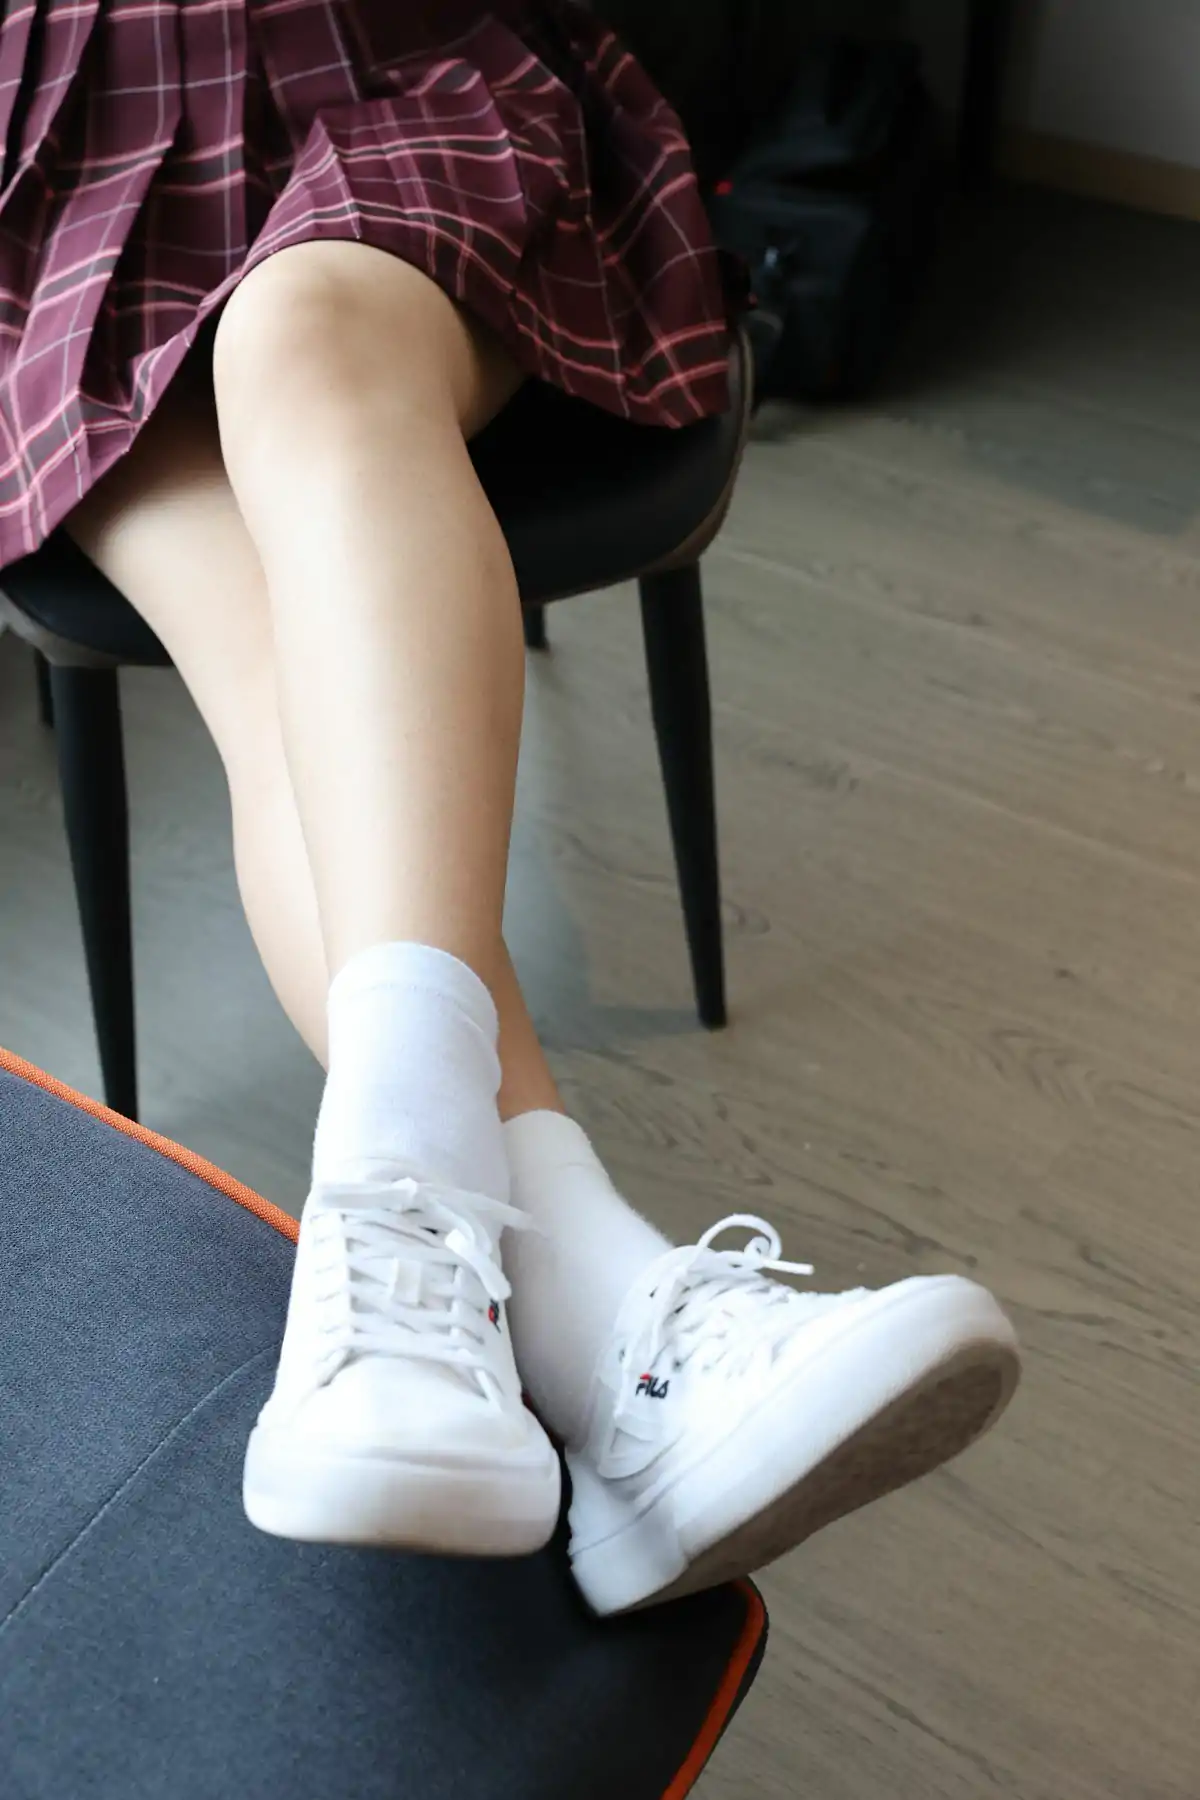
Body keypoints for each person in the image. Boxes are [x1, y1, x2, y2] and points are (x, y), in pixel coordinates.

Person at [0, 0, 1020, 1616]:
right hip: (47, 138)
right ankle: (612, 1338)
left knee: (306, 341)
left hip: (368, 64)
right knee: (269, 669)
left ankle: (398, 1246)